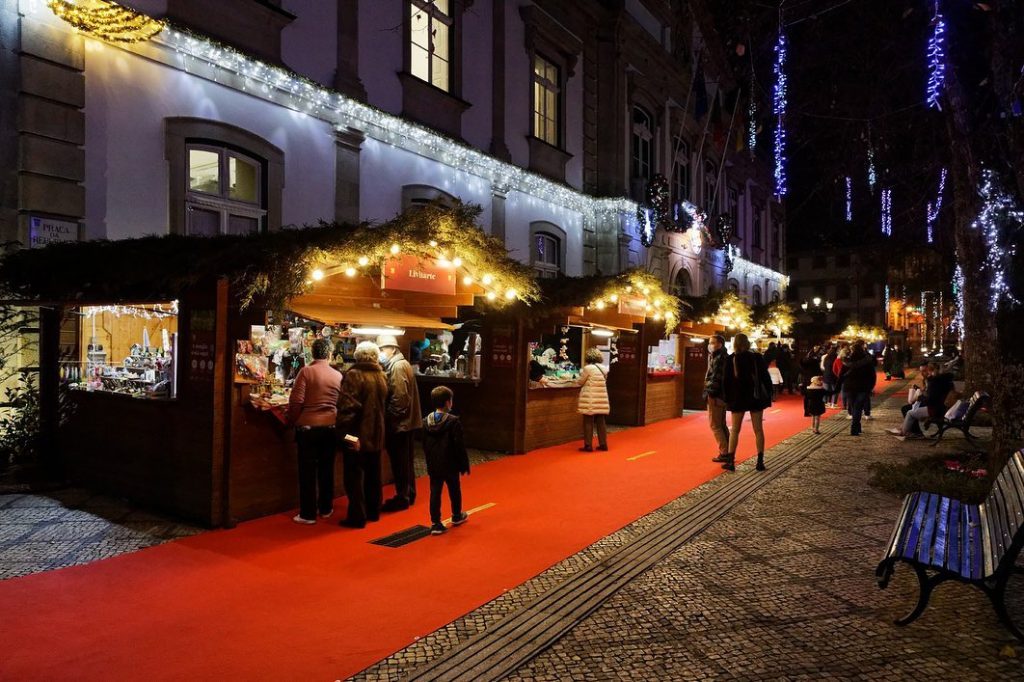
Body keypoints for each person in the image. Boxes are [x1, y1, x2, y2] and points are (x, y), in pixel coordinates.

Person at [285, 338, 342, 525]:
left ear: (312, 352)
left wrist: (292, 421)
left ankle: (308, 513)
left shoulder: (306, 372)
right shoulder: (337, 375)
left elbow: (296, 402)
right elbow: (341, 403)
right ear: (330, 354)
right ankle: (326, 508)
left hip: (308, 429)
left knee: (307, 470)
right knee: (327, 469)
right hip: (330, 428)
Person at [335, 341, 389, 528]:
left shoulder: (354, 375)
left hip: (357, 435)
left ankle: (357, 516)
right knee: (374, 475)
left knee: (354, 477)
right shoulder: (381, 375)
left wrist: (345, 434)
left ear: (357, 356)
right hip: (377, 433)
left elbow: (347, 408)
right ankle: (373, 511)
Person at [378, 335, 422, 511]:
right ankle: (408, 494)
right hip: (407, 422)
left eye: (382, 349)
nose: (381, 353)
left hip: (401, 424)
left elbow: (400, 399)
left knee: (401, 462)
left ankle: (402, 496)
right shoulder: (402, 364)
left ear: (392, 349)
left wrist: (388, 418)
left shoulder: (397, 367)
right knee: (406, 462)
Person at [422, 385, 471, 535]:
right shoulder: (453, 421)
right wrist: (464, 463)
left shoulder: (425, 421)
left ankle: (435, 522)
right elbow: (459, 445)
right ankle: (456, 515)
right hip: (450, 463)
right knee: (454, 489)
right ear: (448, 402)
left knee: (435, 491)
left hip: (434, 463)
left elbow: (424, 444)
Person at [722, 333, 773, 472]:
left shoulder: (731, 359)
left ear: (735, 344)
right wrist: (769, 393)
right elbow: (765, 377)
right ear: (748, 343)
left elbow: (725, 381)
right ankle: (760, 461)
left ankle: (731, 461)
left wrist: (727, 398)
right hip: (755, 397)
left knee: (735, 430)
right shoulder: (756, 358)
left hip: (738, 398)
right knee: (758, 430)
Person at [889, 362, 954, 440]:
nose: (927, 373)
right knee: (910, 410)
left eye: (928, 371)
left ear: (932, 371)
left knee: (910, 412)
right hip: (939, 407)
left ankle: (904, 433)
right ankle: (904, 431)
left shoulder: (935, 381)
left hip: (935, 409)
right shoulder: (944, 380)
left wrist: (920, 398)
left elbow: (931, 399)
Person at [577, 347, 610, 451]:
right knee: (601, 421)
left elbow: (580, 382)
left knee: (588, 420)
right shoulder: (604, 369)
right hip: (601, 398)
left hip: (590, 398)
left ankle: (588, 445)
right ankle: (603, 444)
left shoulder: (588, 368)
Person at [704, 334, 731, 463]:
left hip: (716, 395)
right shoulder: (725, 357)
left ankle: (724, 452)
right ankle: (729, 450)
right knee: (721, 424)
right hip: (723, 395)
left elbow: (715, 378)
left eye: (712, 342)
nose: (710, 345)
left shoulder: (718, 358)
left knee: (715, 425)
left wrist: (709, 391)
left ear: (720, 344)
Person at [841, 341, 876, 436]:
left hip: (849, 387)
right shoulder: (867, 361)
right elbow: (872, 376)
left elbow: (841, 375)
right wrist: (871, 387)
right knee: (858, 407)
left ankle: (856, 427)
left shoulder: (847, 361)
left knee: (854, 407)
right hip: (863, 387)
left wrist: (840, 385)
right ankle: (855, 427)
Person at [821, 343, 839, 409]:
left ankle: (826, 403)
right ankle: (833, 404)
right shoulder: (836, 359)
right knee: (835, 390)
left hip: (826, 375)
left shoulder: (826, 358)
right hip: (834, 376)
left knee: (826, 390)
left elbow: (822, 367)